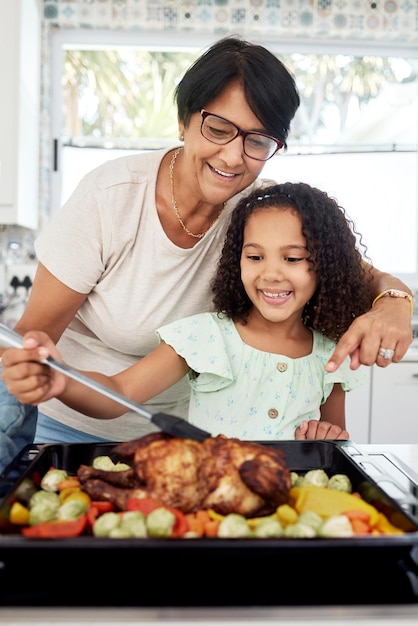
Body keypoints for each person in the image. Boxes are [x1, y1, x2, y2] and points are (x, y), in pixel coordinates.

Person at [0, 37, 413, 471]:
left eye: (258, 141)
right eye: (218, 129)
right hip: (69, 428)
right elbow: (34, 340)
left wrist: (395, 304)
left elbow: (365, 277)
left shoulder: (262, 214)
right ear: (183, 121)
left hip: (184, 443)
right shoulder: (111, 197)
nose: (233, 157)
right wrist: (43, 374)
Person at [0, 182, 399, 440]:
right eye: (255, 256)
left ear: (324, 265)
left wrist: (328, 439)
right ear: (235, 261)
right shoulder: (204, 338)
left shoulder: (331, 355)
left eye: (293, 258)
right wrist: (62, 382)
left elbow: (337, 440)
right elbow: (119, 393)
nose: (271, 274)